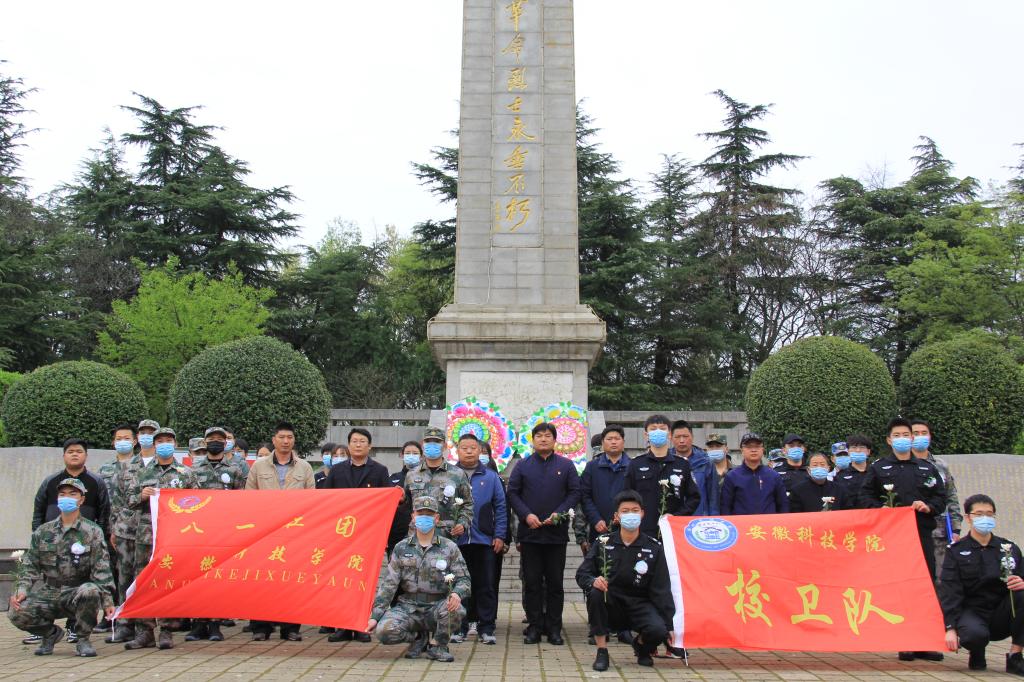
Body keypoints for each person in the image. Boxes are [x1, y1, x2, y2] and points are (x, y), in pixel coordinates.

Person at [859, 416, 946, 662]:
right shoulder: (879, 468)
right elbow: (864, 496)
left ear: (913, 438)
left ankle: (925, 641)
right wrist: (881, 509)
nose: (902, 439)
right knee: (900, 586)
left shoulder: (927, 468)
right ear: (889, 441)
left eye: (906, 435)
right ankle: (905, 640)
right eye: (896, 436)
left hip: (921, 534)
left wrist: (928, 506)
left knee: (925, 585)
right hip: (893, 538)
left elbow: (941, 497)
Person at [8, 479, 116, 657]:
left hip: (77, 591)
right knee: (16, 611)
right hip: (50, 591)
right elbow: (29, 565)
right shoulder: (43, 531)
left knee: (90, 591)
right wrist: (21, 589)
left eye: (72, 494)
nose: (67, 498)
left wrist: (107, 601)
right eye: (62, 494)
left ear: (81, 499)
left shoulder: (92, 531)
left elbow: (101, 568)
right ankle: (50, 634)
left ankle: (83, 639)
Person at [576, 490, 674, 671]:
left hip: (640, 603)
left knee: (659, 630)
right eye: (625, 511)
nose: (631, 515)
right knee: (596, 593)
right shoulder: (604, 542)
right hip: (611, 602)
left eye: (635, 511)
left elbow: (661, 587)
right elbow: (582, 573)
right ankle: (602, 651)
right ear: (617, 516)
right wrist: (593, 580)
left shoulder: (653, 547)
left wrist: (669, 624)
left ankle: (641, 646)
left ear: (642, 514)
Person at [119, 427, 199, 650]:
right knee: (143, 580)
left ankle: (167, 630)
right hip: (146, 535)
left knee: (168, 580)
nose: (164, 444)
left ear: (175, 444)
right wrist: (141, 495)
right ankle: (144, 631)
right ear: (154, 445)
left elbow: (199, 501)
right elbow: (128, 501)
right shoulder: (142, 472)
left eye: (168, 440)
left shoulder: (185, 473)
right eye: (160, 441)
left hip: (173, 536)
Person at [368, 497, 471, 663]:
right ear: (413, 517)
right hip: (408, 607)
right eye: (420, 513)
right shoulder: (401, 548)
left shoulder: (449, 547)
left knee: (456, 610)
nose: (424, 518)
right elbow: (389, 584)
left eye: (429, 514)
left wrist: (457, 594)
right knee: (383, 631)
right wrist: (376, 615)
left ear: (436, 518)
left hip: (437, 606)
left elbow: (464, 579)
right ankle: (417, 637)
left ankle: (437, 644)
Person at [508, 422, 581, 645]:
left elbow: (574, 492)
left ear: (554, 440)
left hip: (555, 534)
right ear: (533, 440)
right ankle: (534, 626)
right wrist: (526, 515)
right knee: (532, 583)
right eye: (539, 435)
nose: (543, 439)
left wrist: (560, 513)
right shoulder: (522, 465)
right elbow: (513, 493)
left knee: (555, 583)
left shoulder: (566, 465)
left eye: (548, 435)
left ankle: (554, 627)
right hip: (530, 534)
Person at [245, 422, 315, 641]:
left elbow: (312, 500)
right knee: (261, 580)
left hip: (294, 533)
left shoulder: (305, 467)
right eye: (282, 437)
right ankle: (260, 627)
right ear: (274, 439)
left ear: (294, 440)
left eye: (290, 437)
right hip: (265, 532)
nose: (286, 441)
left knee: (292, 581)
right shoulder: (259, 467)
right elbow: (249, 498)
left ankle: (290, 628)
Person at [940, 494, 1024, 675]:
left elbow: (1021, 576)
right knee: (974, 636)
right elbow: (950, 591)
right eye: (979, 514)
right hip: (972, 611)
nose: (984, 518)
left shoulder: (1009, 548)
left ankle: (1015, 656)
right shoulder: (956, 551)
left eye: (989, 514)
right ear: (968, 518)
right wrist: (950, 628)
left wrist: (1021, 582)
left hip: (1002, 612)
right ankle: (977, 651)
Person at [324, 427, 389, 642]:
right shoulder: (337, 471)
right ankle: (343, 625)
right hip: (341, 535)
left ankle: (362, 625)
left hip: (368, 535)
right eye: (354, 441)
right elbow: (326, 501)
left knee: (364, 581)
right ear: (348, 445)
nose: (358, 445)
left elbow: (388, 501)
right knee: (341, 581)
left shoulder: (379, 470)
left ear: (369, 446)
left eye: (362, 441)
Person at [184, 426, 247, 642]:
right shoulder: (193, 469)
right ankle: (198, 624)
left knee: (217, 578)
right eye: (211, 438)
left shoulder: (235, 470)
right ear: (205, 442)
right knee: (196, 577)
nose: (216, 441)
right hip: (198, 531)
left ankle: (215, 624)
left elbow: (243, 500)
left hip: (223, 532)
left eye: (220, 438)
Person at [453, 433, 506, 645]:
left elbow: (501, 508)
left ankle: (486, 627)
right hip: (456, 542)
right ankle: (459, 627)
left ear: (480, 451)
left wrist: (499, 535)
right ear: (457, 450)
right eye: (464, 448)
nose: (469, 451)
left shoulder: (491, 477)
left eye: (473, 448)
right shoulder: (450, 475)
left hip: (484, 540)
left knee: (486, 585)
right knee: (458, 586)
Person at [624, 415, 701, 537]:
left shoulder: (682, 464)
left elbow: (694, 497)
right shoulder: (635, 464)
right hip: (643, 530)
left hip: (674, 529)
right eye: (653, 429)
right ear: (646, 435)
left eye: (662, 428)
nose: (658, 431)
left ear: (669, 434)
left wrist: (677, 516)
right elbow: (626, 496)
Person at [911, 419, 964, 577]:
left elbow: (951, 495)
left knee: (940, 576)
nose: (920, 436)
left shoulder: (940, 465)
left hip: (939, 530)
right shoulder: (901, 465)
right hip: (910, 529)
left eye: (924, 433)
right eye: (915, 433)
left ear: (930, 436)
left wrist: (955, 528)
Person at [403, 426, 473, 541]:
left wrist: (462, 523)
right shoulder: (411, 474)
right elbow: (406, 505)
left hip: (446, 537)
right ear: (422, 445)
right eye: (428, 441)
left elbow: (468, 504)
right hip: (416, 537)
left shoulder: (458, 474)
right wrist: (401, 500)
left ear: (444, 446)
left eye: (436, 441)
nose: (432, 444)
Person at [33, 438, 110, 538]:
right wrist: (38, 535)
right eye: (70, 452)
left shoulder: (97, 482)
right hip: (52, 538)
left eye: (79, 451)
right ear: (64, 456)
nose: (75, 454)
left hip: (86, 538)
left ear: (86, 456)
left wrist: (100, 537)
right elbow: (38, 512)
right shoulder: (50, 481)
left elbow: (103, 515)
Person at [580, 425, 629, 542]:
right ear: (602, 442)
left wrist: (624, 515)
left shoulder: (632, 467)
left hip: (626, 526)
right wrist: (595, 519)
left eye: (617, 439)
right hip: (598, 527)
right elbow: (584, 496)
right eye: (609, 439)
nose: (613, 442)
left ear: (623, 442)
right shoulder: (592, 467)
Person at [720, 433, 788, 515]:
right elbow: (725, 507)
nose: (753, 450)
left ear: (762, 450)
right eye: (749, 447)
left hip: (769, 522)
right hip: (741, 522)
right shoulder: (732, 476)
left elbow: (783, 505)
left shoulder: (774, 476)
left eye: (757, 446)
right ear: (742, 450)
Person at [671, 420, 712, 515]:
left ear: (692, 437)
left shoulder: (705, 461)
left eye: (685, 436)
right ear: (671, 438)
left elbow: (713, 496)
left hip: (699, 517)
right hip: (674, 517)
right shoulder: (665, 461)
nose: (681, 441)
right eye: (677, 437)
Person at [388, 441, 422, 554]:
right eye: (408, 453)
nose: (411, 456)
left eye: (415, 453)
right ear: (402, 455)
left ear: (421, 456)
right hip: (397, 531)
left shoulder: (426, 477)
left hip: (421, 529)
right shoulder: (393, 478)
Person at [704, 433, 733, 515]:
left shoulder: (736, 472)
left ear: (726, 449)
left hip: (732, 518)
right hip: (708, 518)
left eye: (718, 446)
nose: (714, 450)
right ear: (706, 450)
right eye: (711, 447)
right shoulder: (702, 473)